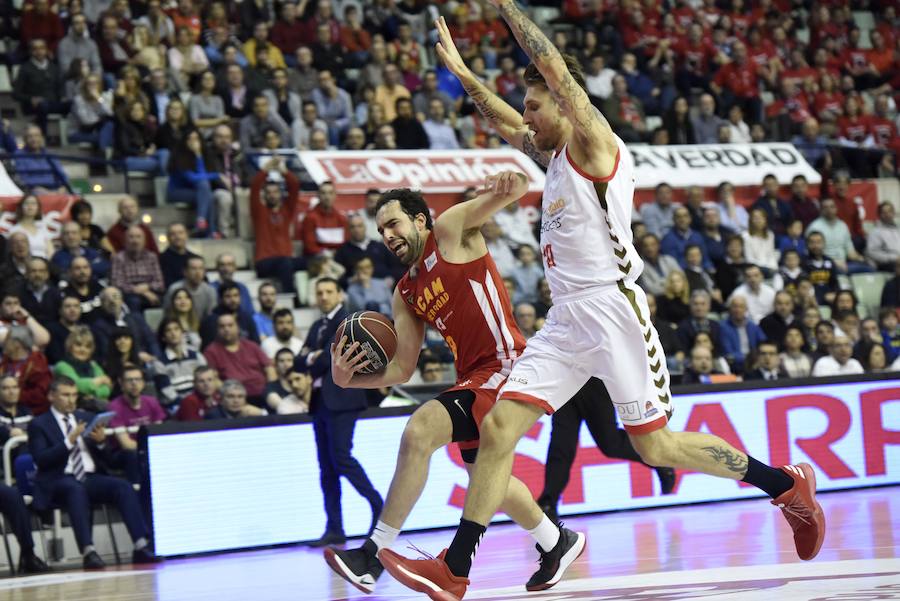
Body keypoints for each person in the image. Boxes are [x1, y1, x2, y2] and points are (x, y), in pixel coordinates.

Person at [378, 10, 825, 598]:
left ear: (565, 104)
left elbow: (553, 70)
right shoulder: (553, 155)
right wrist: (461, 71)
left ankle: (785, 487)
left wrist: (506, 7)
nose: (528, 118)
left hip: (615, 312)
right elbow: (502, 115)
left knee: (654, 445)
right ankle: (457, 568)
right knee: (498, 428)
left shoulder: (593, 143)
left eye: (536, 106)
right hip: (566, 320)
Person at [325, 176, 585, 593]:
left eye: (393, 224)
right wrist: (347, 379)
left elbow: (516, 190)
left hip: (506, 364)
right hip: (473, 375)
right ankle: (557, 541)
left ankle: (372, 555)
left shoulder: (449, 232)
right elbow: (402, 369)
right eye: (381, 231)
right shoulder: (405, 291)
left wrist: (508, 181)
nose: (387, 235)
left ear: (420, 220)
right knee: (488, 480)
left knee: (419, 431)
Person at [27, 376, 159, 569]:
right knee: (75, 489)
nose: (71, 400)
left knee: (122, 486)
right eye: (65, 395)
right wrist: (68, 442)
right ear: (51, 396)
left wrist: (101, 443)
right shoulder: (39, 424)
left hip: (89, 476)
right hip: (58, 479)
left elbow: (108, 459)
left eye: (74, 395)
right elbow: (42, 459)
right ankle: (89, 551)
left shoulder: (86, 418)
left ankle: (141, 545)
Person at [296, 277, 383, 548]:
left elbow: (327, 358)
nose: (323, 296)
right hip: (321, 400)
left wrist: (314, 357)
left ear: (340, 294)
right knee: (326, 467)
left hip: (344, 400)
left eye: (328, 291)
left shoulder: (348, 322)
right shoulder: (317, 325)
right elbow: (301, 361)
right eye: (319, 292)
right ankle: (334, 527)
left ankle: (377, 504)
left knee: (342, 458)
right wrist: (313, 357)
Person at [537, 377, 677, 522]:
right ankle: (548, 503)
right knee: (561, 445)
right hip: (564, 383)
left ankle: (657, 459)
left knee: (611, 444)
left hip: (593, 380)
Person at [250, 158, 307, 293]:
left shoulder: (287, 210)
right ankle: (291, 295)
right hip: (264, 262)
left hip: (285, 260)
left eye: (275, 192)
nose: (272, 195)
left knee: (313, 262)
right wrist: (266, 169)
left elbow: (294, 186)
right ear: (264, 195)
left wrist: (284, 172)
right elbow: (254, 187)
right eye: (268, 193)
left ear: (280, 194)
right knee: (285, 263)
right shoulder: (259, 211)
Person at [203, 313, 274, 407]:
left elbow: (269, 369)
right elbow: (214, 380)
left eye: (230, 325)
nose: (226, 329)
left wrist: (271, 389)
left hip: (263, 394)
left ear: (238, 327)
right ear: (217, 330)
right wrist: (233, 396)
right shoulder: (211, 351)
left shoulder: (252, 346)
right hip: (235, 400)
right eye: (222, 326)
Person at [167, 130, 220, 237]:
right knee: (204, 186)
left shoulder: (204, 155)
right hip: (176, 191)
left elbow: (203, 175)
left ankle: (203, 227)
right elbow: (193, 178)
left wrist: (198, 155)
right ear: (185, 141)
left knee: (207, 193)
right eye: (190, 139)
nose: (193, 142)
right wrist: (217, 175)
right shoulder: (179, 156)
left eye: (196, 138)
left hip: (198, 192)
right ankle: (208, 228)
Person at [152, 318, 207, 407]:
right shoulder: (159, 363)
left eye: (176, 329)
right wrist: (185, 404)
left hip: (198, 401)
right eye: (168, 330)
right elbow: (166, 390)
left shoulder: (196, 356)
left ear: (182, 333)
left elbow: (206, 379)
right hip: (174, 405)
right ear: (163, 337)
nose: (173, 333)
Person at [110, 226, 165, 312]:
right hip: (129, 294)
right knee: (134, 301)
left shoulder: (151, 257)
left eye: (138, 237)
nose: (135, 241)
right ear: (125, 241)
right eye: (131, 237)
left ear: (144, 240)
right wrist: (141, 291)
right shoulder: (119, 258)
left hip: (150, 289)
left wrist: (147, 287)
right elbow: (117, 283)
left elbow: (160, 283)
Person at [0, 325, 51, 415]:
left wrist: (12, 395)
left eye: (7, 339)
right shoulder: (4, 361)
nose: (3, 343)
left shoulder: (38, 364)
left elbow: (40, 395)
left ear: (17, 344)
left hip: (31, 413)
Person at [301, 180, 349, 258]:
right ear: (318, 195)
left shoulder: (341, 219)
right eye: (323, 193)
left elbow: (346, 243)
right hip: (317, 259)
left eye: (330, 193)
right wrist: (327, 253)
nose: (327, 197)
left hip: (339, 258)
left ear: (335, 195)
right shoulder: (310, 218)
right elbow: (309, 246)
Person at [8, 194, 56, 259]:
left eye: (33, 203)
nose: (30, 206)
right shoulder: (14, 230)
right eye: (26, 203)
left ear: (38, 208)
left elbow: (51, 252)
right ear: (21, 207)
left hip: (44, 266)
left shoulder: (43, 229)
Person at [18, 257, 60, 325]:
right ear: (26, 274)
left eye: (41, 271)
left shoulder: (56, 294)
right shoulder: (18, 293)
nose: (37, 275)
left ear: (47, 274)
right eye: (33, 271)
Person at [865, 202, 900, 272]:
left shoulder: (898, 229)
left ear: (894, 213)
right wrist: (895, 258)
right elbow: (872, 253)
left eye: (890, 211)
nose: (887, 214)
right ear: (879, 215)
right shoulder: (876, 232)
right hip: (888, 263)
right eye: (884, 212)